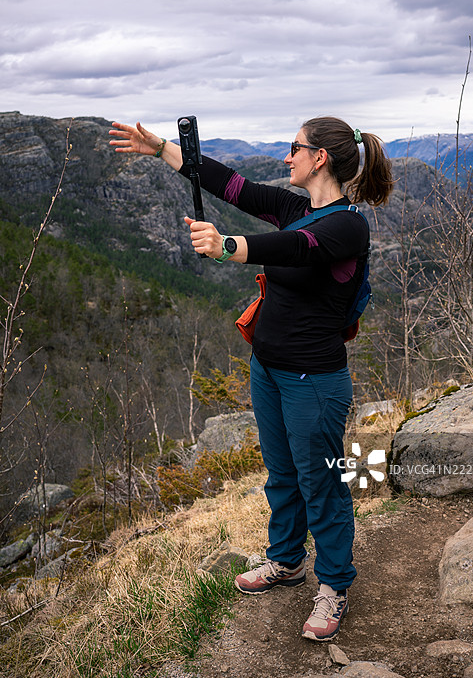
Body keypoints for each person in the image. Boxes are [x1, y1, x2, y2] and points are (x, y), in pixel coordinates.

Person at [109, 116, 393, 641]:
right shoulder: (294, 207)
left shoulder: (347, 224)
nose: (288, 158)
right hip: (269, 369)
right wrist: (162, 150)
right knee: (282, 475)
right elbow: (230, 185)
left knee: (322, 484)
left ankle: (333, 587)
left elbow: (296, 249)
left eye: (295, 148)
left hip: (315, 380)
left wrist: (228, 247)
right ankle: (286, 561)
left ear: (320, 158)